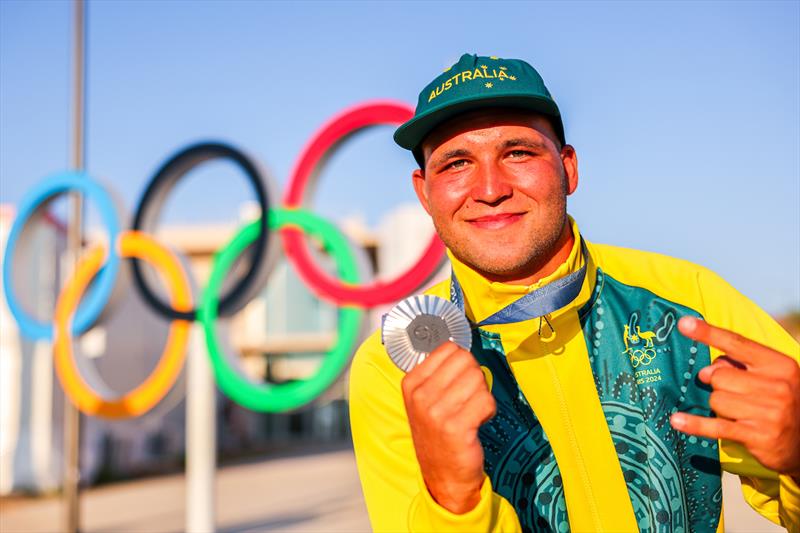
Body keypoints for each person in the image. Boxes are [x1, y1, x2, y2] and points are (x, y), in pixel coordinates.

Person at [349, 53, 800, 532]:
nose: (489, 188)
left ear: (568, 168)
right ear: (424, 193)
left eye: (518, 153)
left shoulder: (690, 300)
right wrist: (453, 501)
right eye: (457, 163)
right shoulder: (390, 365)